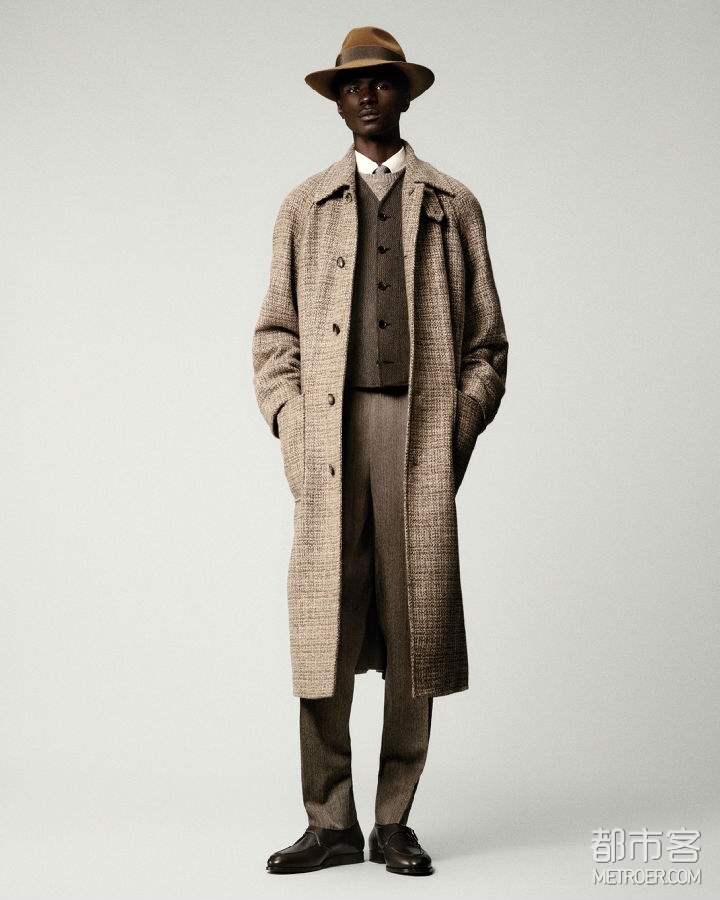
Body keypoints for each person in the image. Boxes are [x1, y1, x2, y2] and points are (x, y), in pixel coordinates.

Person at [252, 26, 508, 877]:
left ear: (405, 93)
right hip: (328, 435)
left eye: (382, 82)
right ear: (337, 103)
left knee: (413, 624)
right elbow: (274, 337)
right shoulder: (304, 206)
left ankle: (394, 821)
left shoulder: (453, 205)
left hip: (418, 432)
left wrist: (456, 424)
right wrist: (292, 423)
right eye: (351, 85)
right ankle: (329, 822)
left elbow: (488, 345)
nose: (366, 96)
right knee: (323, 620)